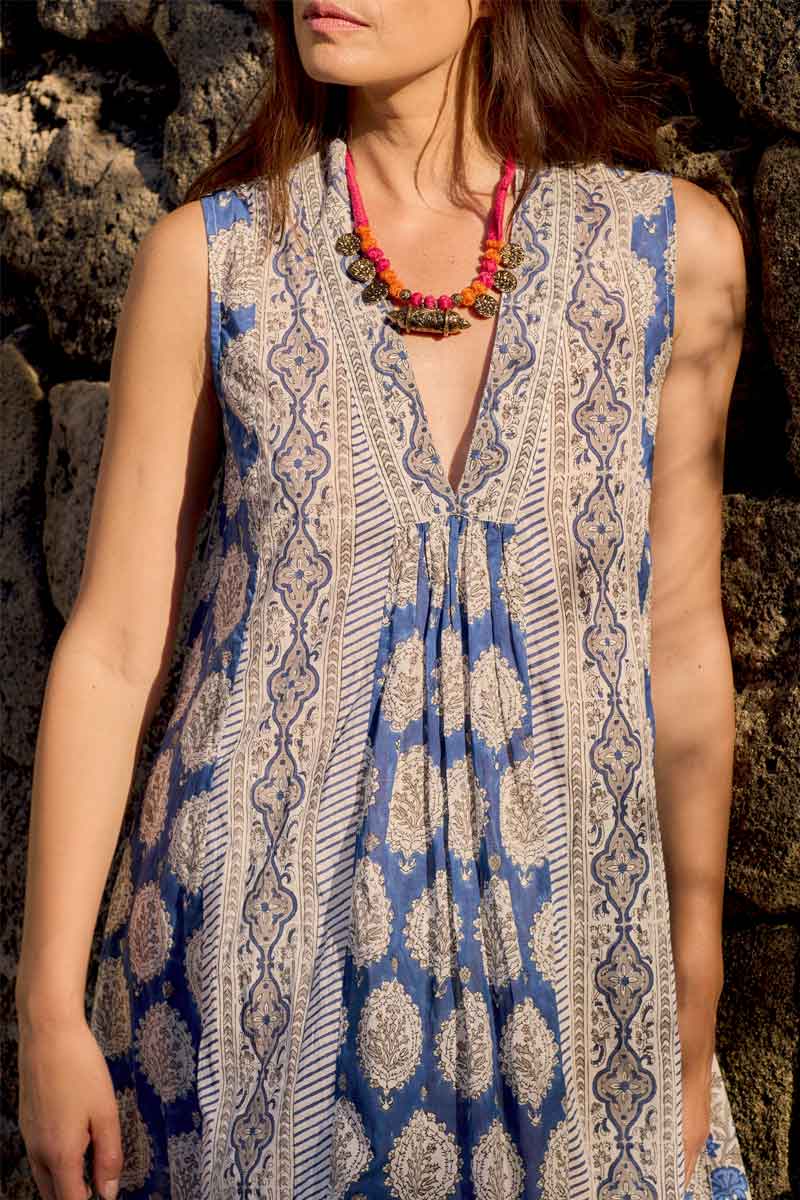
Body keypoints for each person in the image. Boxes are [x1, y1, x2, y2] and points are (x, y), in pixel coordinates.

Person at [15, 1, 750, 1197]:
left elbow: (676, 638)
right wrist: (47, 1010)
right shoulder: (212, 261)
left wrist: (694, 970)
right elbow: (111, 645)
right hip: (248, 987)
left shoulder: (670, 257)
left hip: (579, 973)